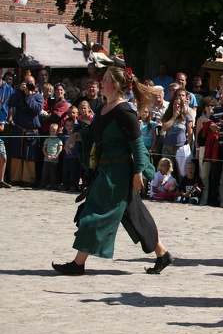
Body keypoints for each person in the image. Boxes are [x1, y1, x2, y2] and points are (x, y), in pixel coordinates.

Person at [52, 66, 174, 275]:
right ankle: (163, 254)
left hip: (119, 175)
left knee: (94, 213)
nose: (101, 82)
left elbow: (137, 146)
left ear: (115, 85)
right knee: (134, 214)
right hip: (107, 171)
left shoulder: (125, 111)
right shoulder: (103, 107)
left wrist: (137, 173)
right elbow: (93, 130)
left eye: (106, 79)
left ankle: (78, 263)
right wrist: (77, 136)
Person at [7, 76, 44, 186]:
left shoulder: (38, 96)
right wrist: (19, 91)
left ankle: (28, 179)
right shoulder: (18, 94)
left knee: (30, 155)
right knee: (16, 153)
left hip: (31, 130)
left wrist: (28, 95)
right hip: (19, 129)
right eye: (27, 83)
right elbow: (11, 103)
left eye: (30, 83)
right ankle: (15, 178)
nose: (28, 85)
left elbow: (36, 109)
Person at [160, 94, 193, 180]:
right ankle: (167, 189)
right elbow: (164, 128)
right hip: (168, 146)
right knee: (167, 169)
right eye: (175, 104)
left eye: (179, 104)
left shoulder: (186, 116)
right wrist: (173, 117)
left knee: (181, 171)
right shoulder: (167, 115)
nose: (177, 106)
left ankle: (181, 190)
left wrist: (188, 145)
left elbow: (190, 132)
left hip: (180, 147)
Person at [40, 122, 63, 189]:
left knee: (53, 173)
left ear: (57, 131)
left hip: (55, 159)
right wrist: (46, 155)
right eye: (51, 131)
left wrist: (56, 156)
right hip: (47, 159)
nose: (52, 132)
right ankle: (44, 184)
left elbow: (60, 149)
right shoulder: (47, 139)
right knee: (45, 172)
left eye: (54, 131)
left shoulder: (59, 140)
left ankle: (53, 184)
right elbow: (43, 148)